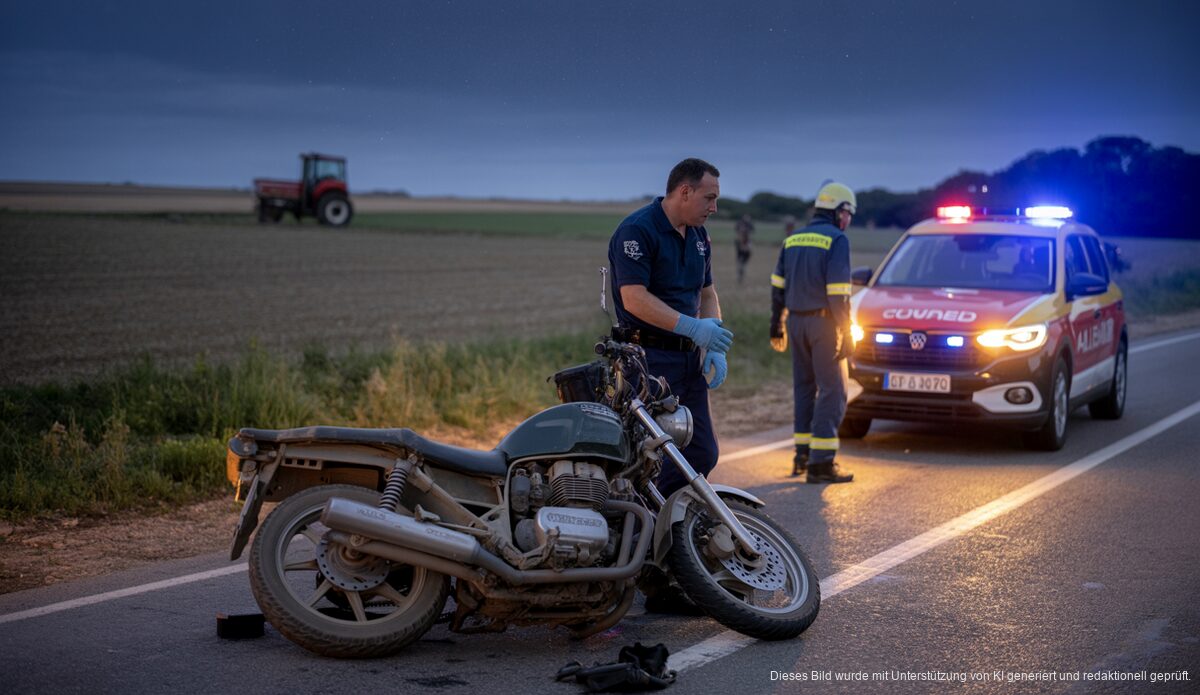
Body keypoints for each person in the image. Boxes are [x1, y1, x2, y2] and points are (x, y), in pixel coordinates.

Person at [608, 158, 731, 501]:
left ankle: (667, 516)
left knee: (702, 452)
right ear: (685, 191)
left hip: (688, 361)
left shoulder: (699, 236)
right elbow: (634, 298)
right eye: (709, 198)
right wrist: (691, 326)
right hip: (649, 360)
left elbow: (707, 293)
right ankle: (642, 521)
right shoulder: (637, 230)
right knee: (651, 455)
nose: (714, 208)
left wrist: (713, 344)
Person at [770, 181, 856, 484]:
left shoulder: (793, 239)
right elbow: (838, 294)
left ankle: (802, 455)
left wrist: (775, 324)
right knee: (833, 389)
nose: (848, 220)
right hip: (825, 324)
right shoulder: (837, 239)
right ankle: (822, 463)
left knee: (804, 388)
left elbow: (777, 286)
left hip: (795, 322)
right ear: (839, 210)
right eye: (848, 213)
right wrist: (847, 332)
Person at [734, 214, 754, 284]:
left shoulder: (748, 226)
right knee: (741, 261)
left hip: (745, 245)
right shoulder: (741, 225)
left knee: (742, 261)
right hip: (742, 245)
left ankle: (741, 268)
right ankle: (741, 269)